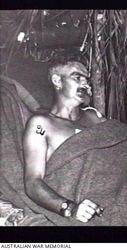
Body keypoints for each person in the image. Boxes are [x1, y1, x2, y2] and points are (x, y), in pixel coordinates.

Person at [23, 54, 106, 223]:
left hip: (111, 195)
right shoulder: (41, 125)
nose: (85, 84)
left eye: (87, 80)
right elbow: (33, 181)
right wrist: (69, 208)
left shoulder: (95, 117)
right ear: (58, 81)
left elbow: (125, 147)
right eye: (77, 77)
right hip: (78, 201)